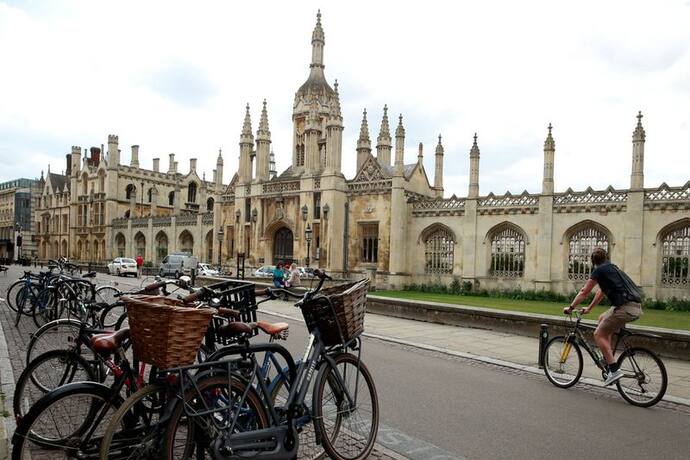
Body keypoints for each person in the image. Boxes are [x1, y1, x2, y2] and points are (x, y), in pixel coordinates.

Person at [564, 248, 642, 386]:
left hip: (625, 308)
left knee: (598, 334)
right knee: (602, 318)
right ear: (606, 257)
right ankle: (609, 357)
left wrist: (570, 308)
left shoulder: (599, 270)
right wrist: (589, 309)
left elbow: (584, 291)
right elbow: (601, 292)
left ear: (593, 261)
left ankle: (614, 369)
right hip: (634, 307)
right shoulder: (612, 268)